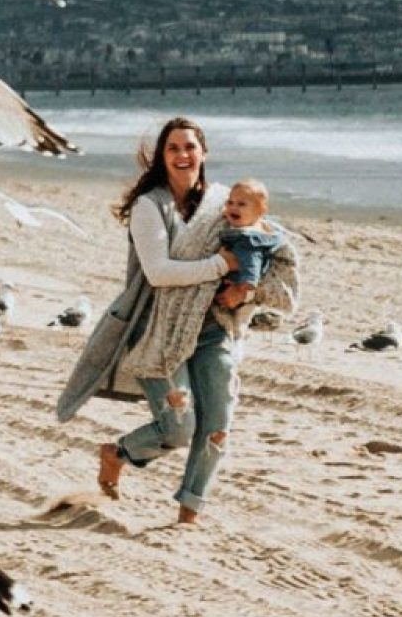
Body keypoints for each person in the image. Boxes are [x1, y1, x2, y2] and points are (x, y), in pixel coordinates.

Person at [57, 118, 299, 524]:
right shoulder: (149, 207)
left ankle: (189, 513)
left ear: (203, 152)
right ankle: (117, 454)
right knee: (179, 427)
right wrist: (221, 264)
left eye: (190, 147)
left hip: (216, 329)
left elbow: (268, 243)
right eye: (174, 148)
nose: (183, 155)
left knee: (218, 425)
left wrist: (249, 290)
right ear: (161, 157)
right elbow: (159, 272)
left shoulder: (226, 204)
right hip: (158, 331)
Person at [212, 178, 284, 340]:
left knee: (240, 316)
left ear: (260, 211)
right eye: (230, 203)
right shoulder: (259, 228)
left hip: (241, 283)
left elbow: (252, 261)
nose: (233, 208)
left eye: (241, 205)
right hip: (242, 282)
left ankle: (239, 331)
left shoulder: (247, 238)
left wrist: (247, 284)